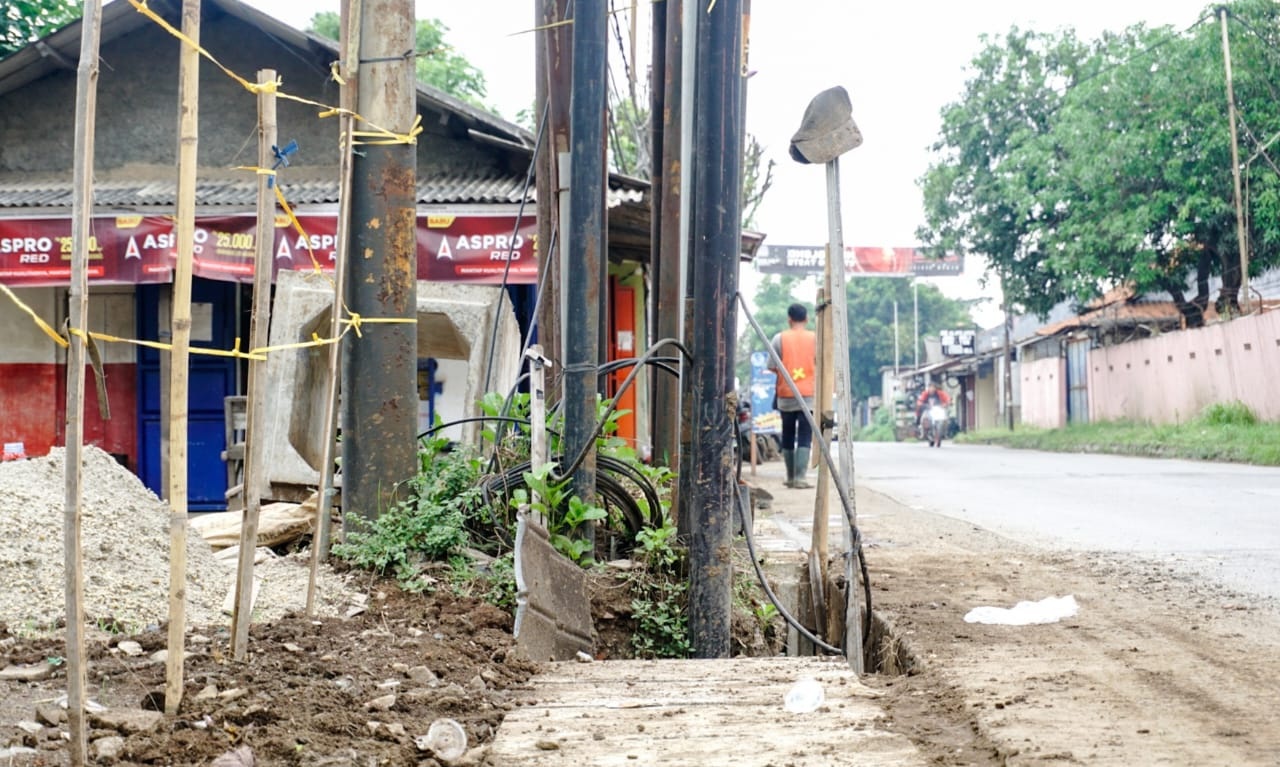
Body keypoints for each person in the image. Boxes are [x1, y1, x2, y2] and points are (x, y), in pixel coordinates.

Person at [769, 303, 816, 488]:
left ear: (789, 319)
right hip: (808, 395)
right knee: (805, 434)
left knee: (787, 433)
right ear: (806, 319)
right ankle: (800, 477)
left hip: (786, 393)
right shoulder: (815, 338)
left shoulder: (779, 338)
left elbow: (772, 366)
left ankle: (789, 477)